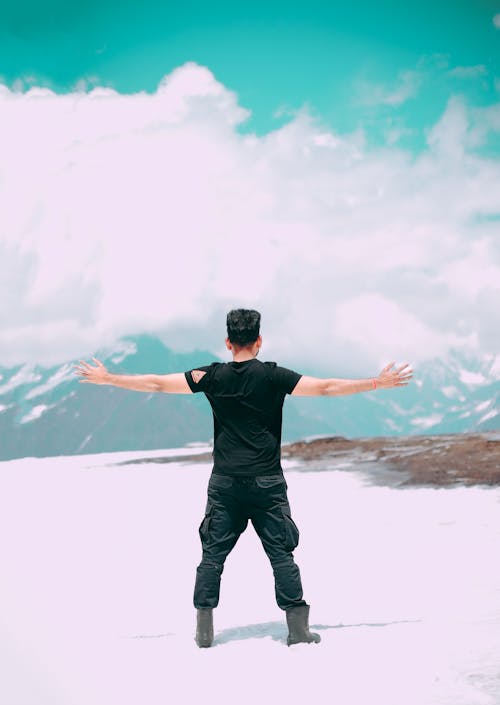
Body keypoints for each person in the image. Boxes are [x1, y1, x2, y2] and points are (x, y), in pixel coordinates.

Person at [75, 308, 413, 648]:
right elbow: (325, 388)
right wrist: (376, 383)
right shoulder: (273, 376)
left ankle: (204, 631)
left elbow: (156, 382)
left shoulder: (211, 376)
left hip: (224, 483)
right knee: (281, 554)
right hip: (267, 483)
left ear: (227, 342)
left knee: (212, 556)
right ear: (259, 340)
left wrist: (109, 379)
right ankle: (297, 630)